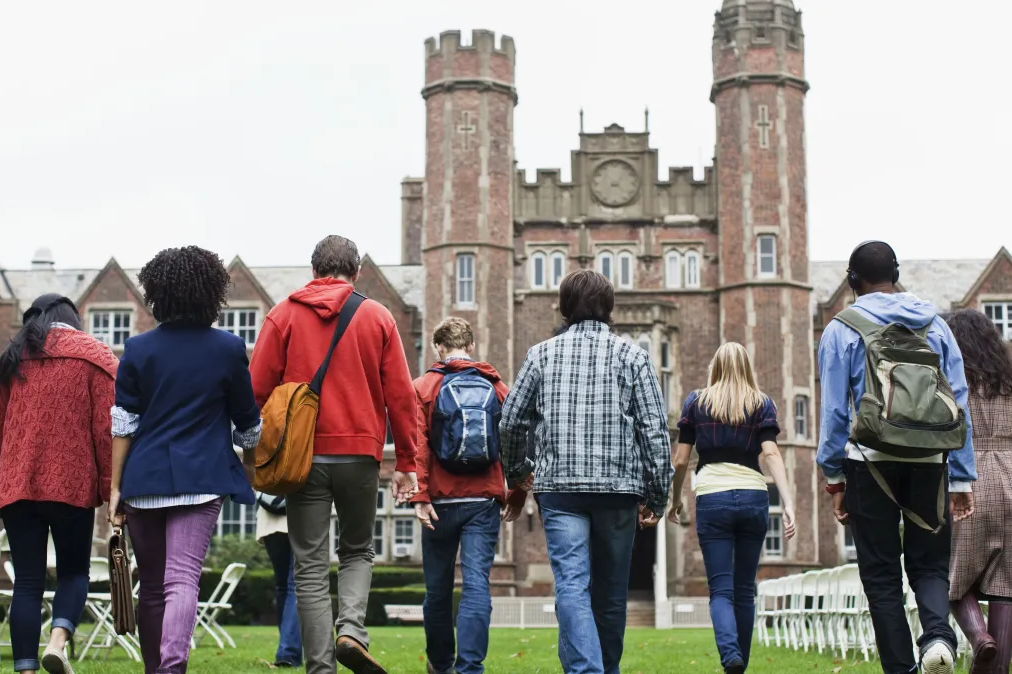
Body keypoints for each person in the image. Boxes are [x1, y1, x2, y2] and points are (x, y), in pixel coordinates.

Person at [249, 235, 417, 674]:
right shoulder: (377, 316)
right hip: (361, 454)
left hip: (302, 459)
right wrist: (407, 464)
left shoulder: (283, 314)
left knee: (309, 564)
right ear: (356, 272)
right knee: (359, 549)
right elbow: (401, 397)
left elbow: (255, 391)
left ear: (313, 271)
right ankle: (351, 632)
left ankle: (320, 668)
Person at [499, 269, 674, 674]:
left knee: (572, 587)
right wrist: (658, 494)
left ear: (563, 308)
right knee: (612, 594)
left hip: (560, 490)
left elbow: (510, 423)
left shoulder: (541, 354)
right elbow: (655, 431)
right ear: (610, 310)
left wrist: (518, 471)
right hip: (618, 489)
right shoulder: (634, 356)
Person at [817, 241, 976, 674]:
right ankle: (939, 638)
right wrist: (961, 477)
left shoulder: (841, 329)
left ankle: (900, 668)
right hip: (929, 461)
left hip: (868, 462)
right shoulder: (936, 326)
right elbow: (958, 402)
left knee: (881, 573)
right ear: (897, 272)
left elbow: (833, 411)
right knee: (929, 563)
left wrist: (834, 479)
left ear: (852, 281)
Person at [107, 246, 263, 674]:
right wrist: (249, 466)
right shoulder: (229, 348)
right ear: (212, 292)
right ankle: (172, 669)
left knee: (153, 588)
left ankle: (155, 670)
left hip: (144, 480)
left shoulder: (137, 349)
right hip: (203, 479)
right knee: (182, 580)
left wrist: (115, 488)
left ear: (156, 293)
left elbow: (123, 424)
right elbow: (248, 423)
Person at [0, 294, 117, 674]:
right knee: (73, 572)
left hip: (17, 483)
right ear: (73, 318)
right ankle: (57, 642)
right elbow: (107, 431)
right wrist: (110, 489)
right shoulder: (96, 356)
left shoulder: (14, 357)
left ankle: (25, 669)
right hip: (72, 481)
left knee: (27, 581)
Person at [667, 342, 796, 674]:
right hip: (754, 497)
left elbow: (681, 460)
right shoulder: (761, 403)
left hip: (713, 498)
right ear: (748, 368)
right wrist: (788, 502)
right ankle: (739, 664)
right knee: (744, 591)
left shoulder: (696, 402)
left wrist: (676, 498)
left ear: (716, 367)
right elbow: (771, 454)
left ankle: (730, 657)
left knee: (720, 590)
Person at [411, 317, 529, 674]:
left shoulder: (423, 386)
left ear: (438, 348)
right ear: (472, 347)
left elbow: (416, 444)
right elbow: (517, 437)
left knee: (438, 590)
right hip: (483, 502)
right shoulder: (496, 387)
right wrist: (519, 487)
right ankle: (470, 668)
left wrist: (420, 496)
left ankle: (441, 665)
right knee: (477, 584)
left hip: (439, 503)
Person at [944, 309, 1012, 674]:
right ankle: (998, 668)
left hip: (969, 480)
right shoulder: (1009, 380)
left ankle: (980, 638)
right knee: (1007, 585)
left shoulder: (953, 380)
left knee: (952, 578)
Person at [255, 492, 303, 668]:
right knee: (295, 585)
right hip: (301, 518)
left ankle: (286, 646)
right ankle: (288, 652)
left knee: (283, 585)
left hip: (270, 523)